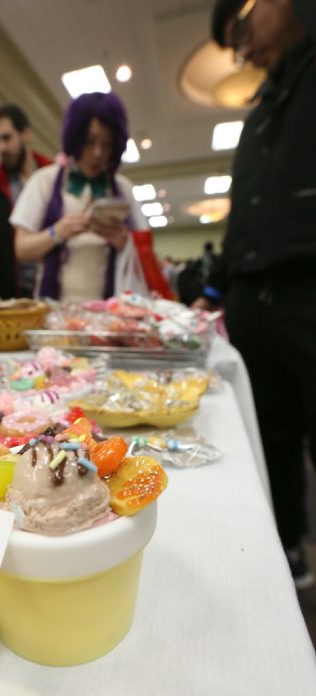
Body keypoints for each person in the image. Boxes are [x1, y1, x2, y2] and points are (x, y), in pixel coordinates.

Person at [198, 0, 316, 589]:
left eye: (242, 30)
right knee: (270, 432)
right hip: (252, 298)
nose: (242, 50)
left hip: (307, 288)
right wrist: (215, 287)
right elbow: (241, 216)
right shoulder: (262, 109)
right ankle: (290, 547)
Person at [10, 92, 149, 303]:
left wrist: (124, 243)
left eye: (107, 144)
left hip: (109, 318)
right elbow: (21, 248)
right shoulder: (44, 181)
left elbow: (145, 255)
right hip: (55, 316)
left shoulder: (124, 189)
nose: (97, 153)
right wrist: (58, 232)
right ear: (75, 137)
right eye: (89, 141)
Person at [0, 104, 51, 299]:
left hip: (55, 291)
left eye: (7, 138)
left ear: (26, 134)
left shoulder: (56, 180)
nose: (1, 147)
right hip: (14, 301)